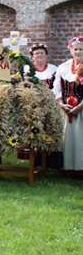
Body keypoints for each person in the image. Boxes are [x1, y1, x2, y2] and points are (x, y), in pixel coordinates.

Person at [53, 36, 83, 173]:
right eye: (75, 49)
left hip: (81, 110)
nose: (78, 52)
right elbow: (57, 89)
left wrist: (79, 108)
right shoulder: (63, 67)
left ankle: (80, 167)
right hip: (66, 110)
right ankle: (67, 167)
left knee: (80, 138)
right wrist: (61, 104)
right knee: (67, 139)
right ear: (71, 50)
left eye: (81, 49)